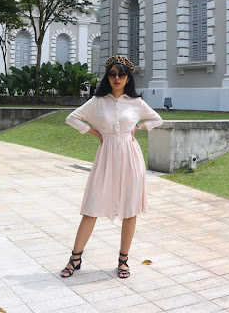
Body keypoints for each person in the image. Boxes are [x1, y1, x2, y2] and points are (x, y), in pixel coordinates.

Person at [61, 55, 163, 279]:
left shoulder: (136, 102)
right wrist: (94, 132)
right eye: (112, 74)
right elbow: (72, 118)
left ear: (128, 78)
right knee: (92, 206)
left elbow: (157, 120)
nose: (117, 78)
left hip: (130, 157)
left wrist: (138, 127)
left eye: (122, 74)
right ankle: (75, 258)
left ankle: (123, 260)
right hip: (106, 156)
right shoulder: (98, 102)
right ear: (107, 77)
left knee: (130, 208)